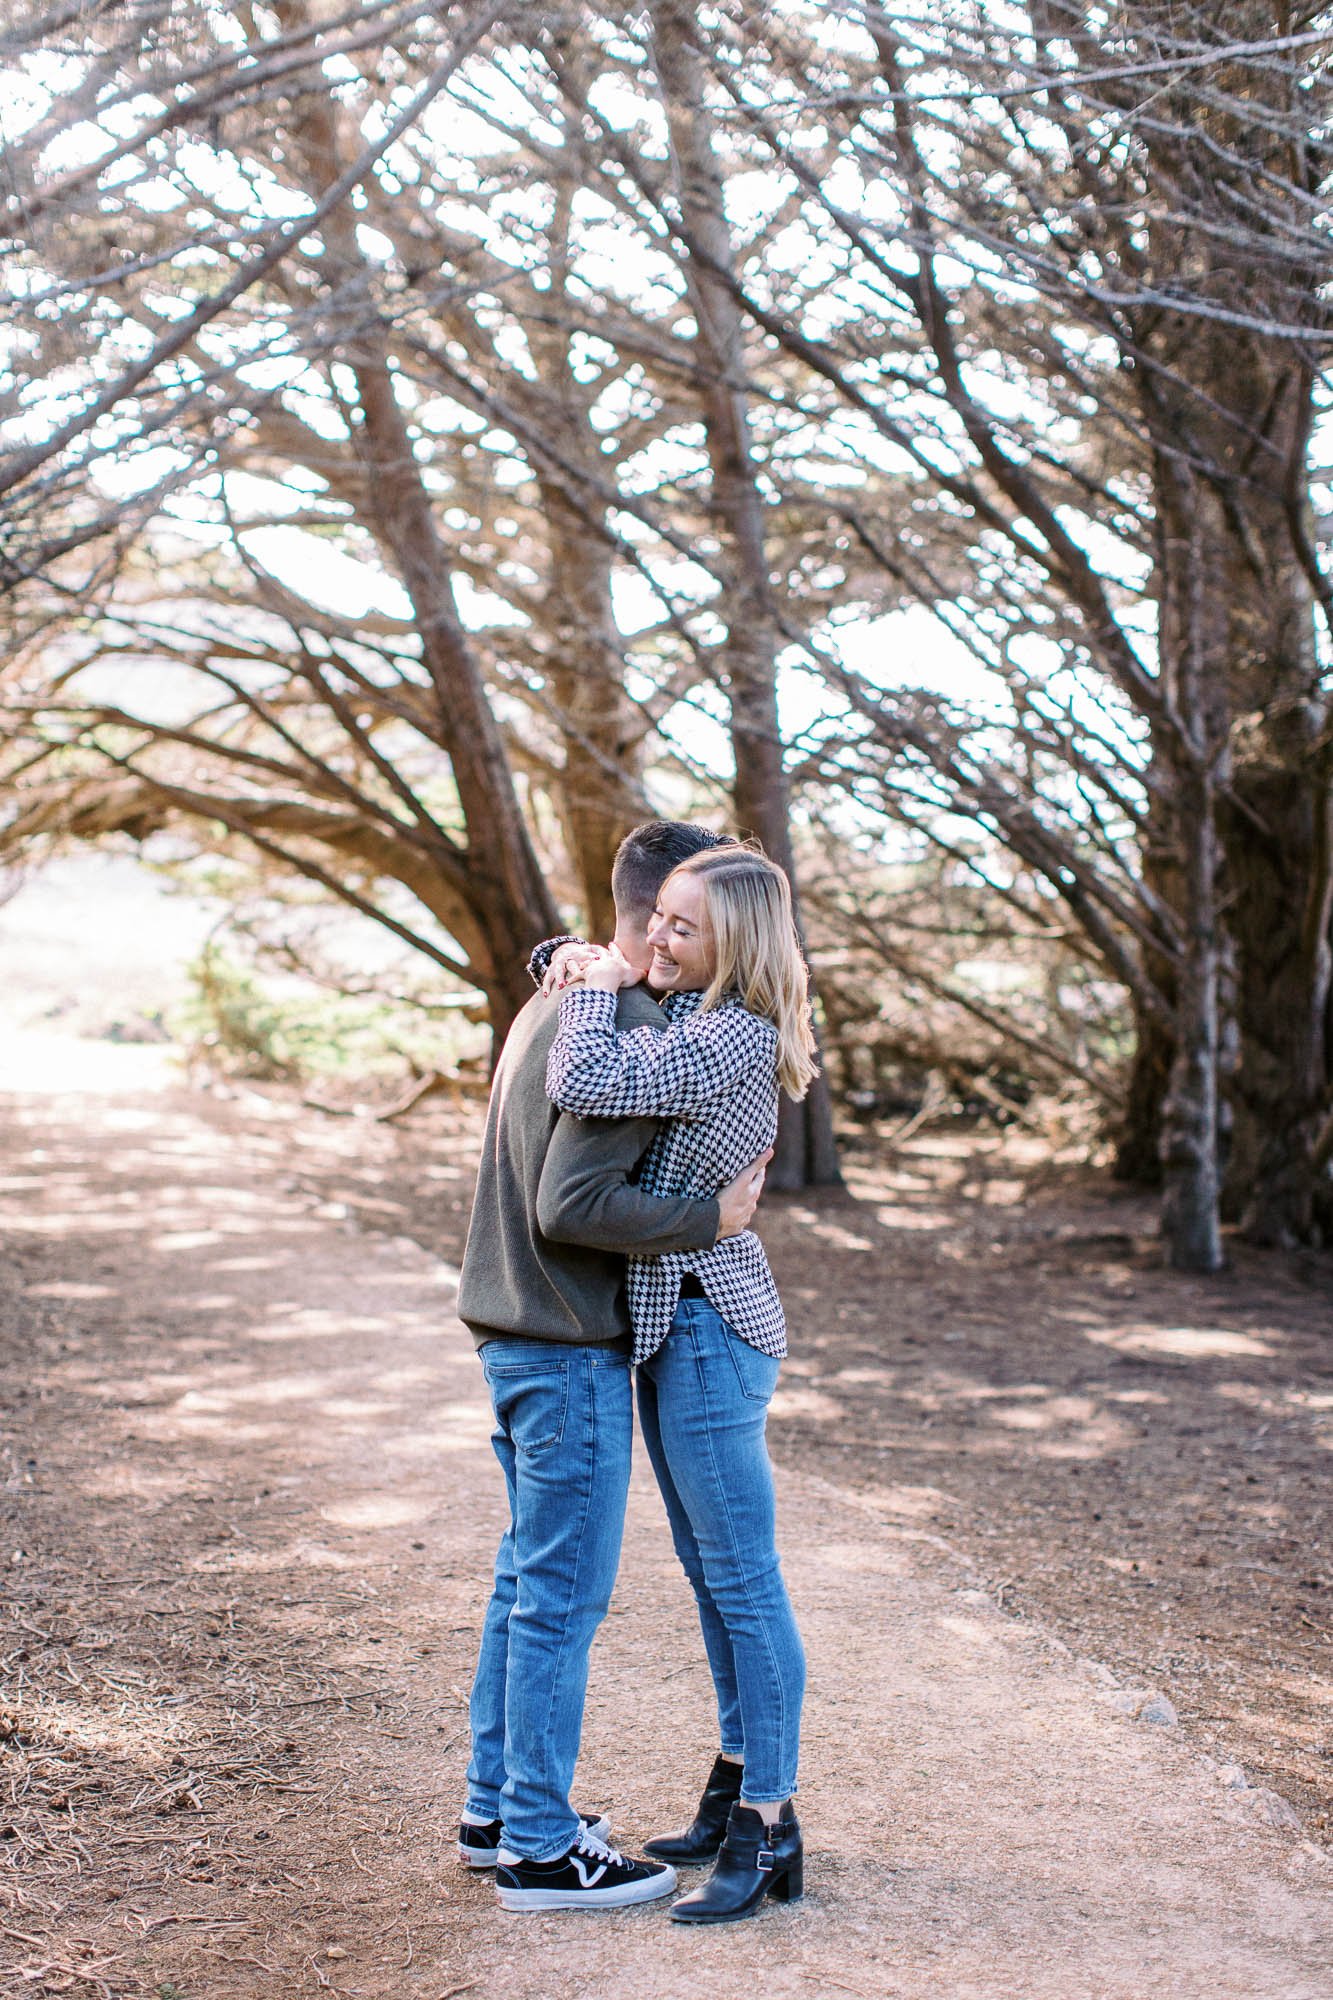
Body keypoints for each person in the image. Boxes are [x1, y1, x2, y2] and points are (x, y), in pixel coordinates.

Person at [456, 821, 771, 1914]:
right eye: (681, 921)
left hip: (508, 1329)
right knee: (559, 1596)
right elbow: (571, 1201)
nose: (689, 942)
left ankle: (493, 1804)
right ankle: (539, 1842)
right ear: (658, 917)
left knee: (521, 1579)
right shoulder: (620, 1019)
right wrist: (706, 1216)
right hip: (564, 1339)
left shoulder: (553, 999)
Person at [542, 843, 816, 1925]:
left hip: (708, 1328)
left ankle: (772, 1817)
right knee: (713, 1575)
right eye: (653, 916)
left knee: (743, 1577)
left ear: (733, 944)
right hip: (684, 1323)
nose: (655, 938)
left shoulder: (730, 1035)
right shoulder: (702, 1015)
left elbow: (584, 1077)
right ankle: (737, 1775)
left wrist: (592, 984)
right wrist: (569, 957)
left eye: (681, 927)